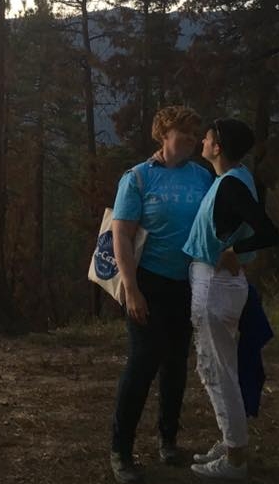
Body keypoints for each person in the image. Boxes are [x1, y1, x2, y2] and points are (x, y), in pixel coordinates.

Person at [110, 106, 214, 484]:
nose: (191, 140)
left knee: (175, 365)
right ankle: (121, 450)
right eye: (184, 134)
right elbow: (121, 235)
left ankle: (168, 440)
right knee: (141, 365)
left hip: (188, 282)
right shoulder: (138, 178)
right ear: (164, 133)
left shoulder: (200, 176)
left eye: (194, 134)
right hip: (148, 283)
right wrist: (132, 289)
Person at [183, 118, 278, 480]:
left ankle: (236, 459)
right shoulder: (236, 178)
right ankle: (231, 441)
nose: (202, 142)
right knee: (220, 369)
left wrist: (235, 250)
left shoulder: (230, 187)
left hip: (216, 286)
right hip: (219, 284)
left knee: (217, 372)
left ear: (217, 147)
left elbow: (267, 231)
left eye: (207, 138)